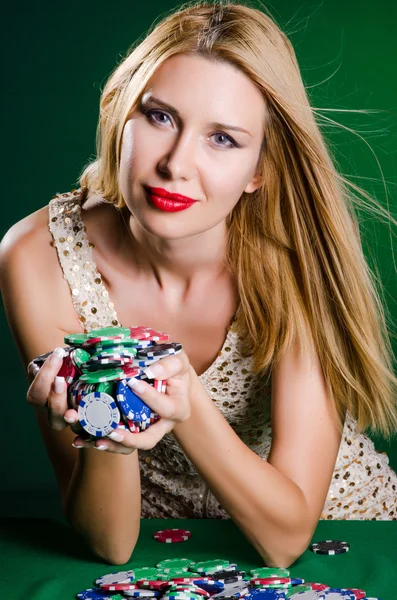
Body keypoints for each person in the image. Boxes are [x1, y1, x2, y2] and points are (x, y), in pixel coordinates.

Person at [1, 0, 397, 568]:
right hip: (172, 556)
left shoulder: (293, 261)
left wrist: (184, 397)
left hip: (345, 537)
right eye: (160, 116)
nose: (176, 165)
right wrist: (105, 427)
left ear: (260, 169)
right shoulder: (37, 255)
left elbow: (286, 541)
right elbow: (109, 543)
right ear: (121, 115)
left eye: (223, 139)